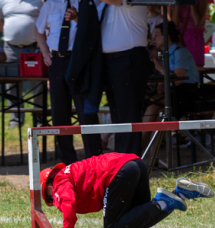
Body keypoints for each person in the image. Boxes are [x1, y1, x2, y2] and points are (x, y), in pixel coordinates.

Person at [40, 153, 214, 228]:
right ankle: (179, 193)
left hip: (119, 172)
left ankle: (164, 201)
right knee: (139, 217)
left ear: (49, 186)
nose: (52, 200)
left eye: (48, 197)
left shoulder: (59, 182)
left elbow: (68, 203)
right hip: (135, 163)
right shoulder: (69, 172)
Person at [36, 0, 102, 164]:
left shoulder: (85, 3)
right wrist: (45, 52)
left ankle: (93, 159)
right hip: (57, 60)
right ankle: (66, 161)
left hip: (78, 60)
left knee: (85, 112)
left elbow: (91, 29)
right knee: (59, 113)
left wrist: (77, 18)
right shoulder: (50, 4)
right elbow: (38, 30)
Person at [99, 0, 151, 156]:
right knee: (117, 113)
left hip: (129, 58)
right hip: (112, 60)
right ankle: (121, 157)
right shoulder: (107, 5)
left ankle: (130, 159)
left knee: (128, 112)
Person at [0, 0, 42, 128]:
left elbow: (46, 20)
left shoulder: (39, 2)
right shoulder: (2, 1)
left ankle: (40, 117)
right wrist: (8, 32)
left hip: (34, 48)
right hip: (11, 49)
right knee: (12, 84)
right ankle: (16, 119)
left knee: (38, 84)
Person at [150, 21, 200, 119]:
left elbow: (178, 80)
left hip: (186, 93)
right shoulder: (165, 54)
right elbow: (162, 86)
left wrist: (160, 68)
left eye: (157, 35)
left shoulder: (180, 52)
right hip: (174, 93)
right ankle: (146, 134)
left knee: (154, 101)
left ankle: (139, 133)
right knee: (161, 112)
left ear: (166, 36)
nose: (154, 39)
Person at [170, 0, 208, 66]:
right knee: (180, 67)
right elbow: (174, 25)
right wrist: (177, 4)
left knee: (195, 68)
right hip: (181, 38)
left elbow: (197, 21)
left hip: (195, 39)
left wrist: (191, 2)